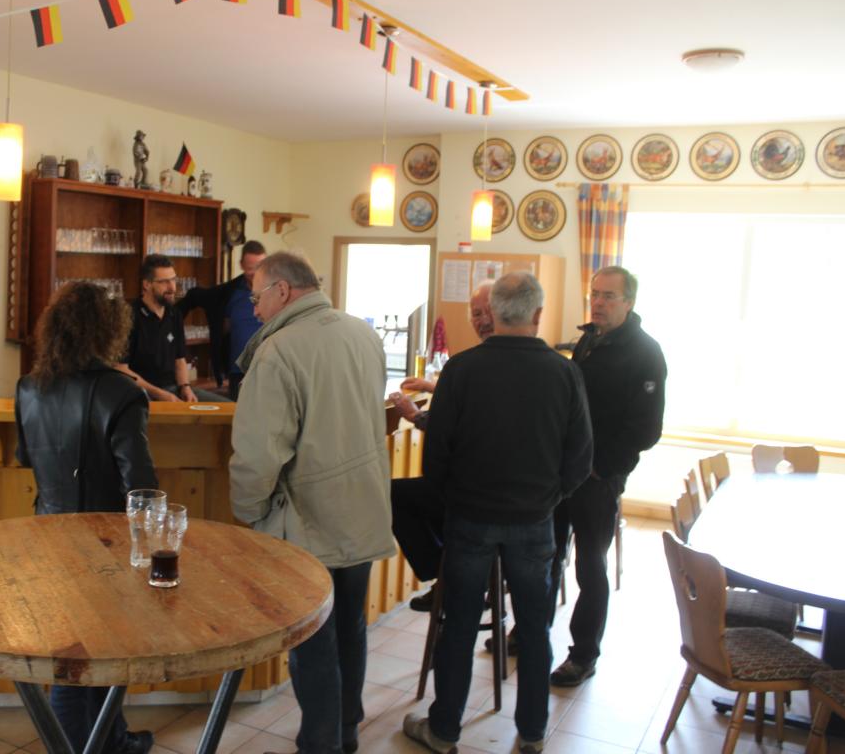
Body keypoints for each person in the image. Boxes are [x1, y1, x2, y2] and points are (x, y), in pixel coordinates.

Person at [403, 272, 592, 754]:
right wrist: (549, 498)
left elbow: (437, 455)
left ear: (494, 313)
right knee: (533, 629)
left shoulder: (463, 369)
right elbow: (580, 458)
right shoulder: (564, 373)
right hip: (534, 519)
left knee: (459, 624)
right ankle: (532, 733)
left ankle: (444, 729)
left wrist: (454, 500)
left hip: (470, 516)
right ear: (537, 315)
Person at [230, 251, 393, 754]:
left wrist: (248, 513)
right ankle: (346, 730)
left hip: (308, 520)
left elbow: (259, 454)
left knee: (312, 639)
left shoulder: (277, 351)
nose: (254, 310)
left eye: (257, 297)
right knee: (350, 626)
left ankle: (320, 744)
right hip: (363, 510)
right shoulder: (363, 333)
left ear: (282, 290)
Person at [14, 281, 157, 754]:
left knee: (74, 654)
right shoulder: (122, 392)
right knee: (90, 659)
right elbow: (140, 485)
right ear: (108, 330)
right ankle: (87, 747)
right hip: (104, 541)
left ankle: (111, 740)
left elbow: (25, 457)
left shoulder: (29, 388)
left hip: (47, 531)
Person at [548, 265, 666, 688]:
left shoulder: (646, 352)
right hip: (564, 472)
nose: (597, 302)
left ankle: (583, 656)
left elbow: (646, 429)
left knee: (590, 567)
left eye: (608, 296)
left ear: (629, 302)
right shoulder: (589, 340)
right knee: (548, 555)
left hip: (598, 478)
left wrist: (602, 467)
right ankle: (529, 633)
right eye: (595, 294)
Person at [388, 281, 494, 612]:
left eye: (488, 311)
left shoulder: (468, 365)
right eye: (476, 313)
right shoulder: (506, 365)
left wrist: (415, 415)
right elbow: (475, 406)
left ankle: (450, 578)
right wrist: (436, 387)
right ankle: (466, 578)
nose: (482, 320)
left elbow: (454, 428)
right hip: (513, 503)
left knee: (393, 493)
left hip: (472, 497)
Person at [118, 254, 228, 403]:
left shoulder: (174, 314)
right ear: (147, 284)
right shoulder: (128, 316)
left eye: (173, 279)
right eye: (164, 282)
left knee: (228, 408)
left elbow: (180, 359)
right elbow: (121, 369)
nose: (172, 287)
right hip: (142, 394)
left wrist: (185, 387)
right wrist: (161, 394)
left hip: (173, 389)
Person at [176, 240, 267, 400]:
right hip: (239, 372)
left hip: (269, 368)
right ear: (241, 265)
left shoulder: (277, 289)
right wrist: (170, 321)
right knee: (237, 414)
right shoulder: (229, 292)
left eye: (259, 267)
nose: (255, 274)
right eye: (250, 269)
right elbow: (194, 296)